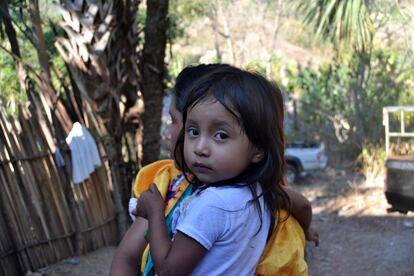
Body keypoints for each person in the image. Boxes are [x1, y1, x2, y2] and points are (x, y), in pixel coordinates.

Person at [110, 64, 318, 276]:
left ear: (259, 149)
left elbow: (168, 271)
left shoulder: (212, 204)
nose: (200, 148)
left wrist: (155, 213)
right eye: (193, 131)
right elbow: (301, 205)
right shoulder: (258, 193)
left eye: (220, 135)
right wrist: (307, 228)